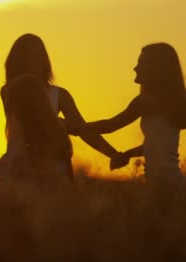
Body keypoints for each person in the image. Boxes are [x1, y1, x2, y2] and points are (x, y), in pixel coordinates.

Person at [0, 34, 119, 181]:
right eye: (29, 55)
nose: (36, 60)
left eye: (40, 55)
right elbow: (26, 124)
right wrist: (63, 125)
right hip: (17, 164)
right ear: (19, 60)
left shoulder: (60, 95)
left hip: (49, 165)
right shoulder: (8, 91)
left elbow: (84, 130)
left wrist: (113, 154)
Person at [73, 43, 186, 187]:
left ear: (156, 69)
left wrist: (74, 128)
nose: (135, 68)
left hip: (163, 185)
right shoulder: (174, 101)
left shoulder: (145, 101)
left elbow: (109, 126)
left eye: (141, 63)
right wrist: (127, 154)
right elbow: (156, 146)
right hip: (172, 181)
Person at [0, 74, 73, 183]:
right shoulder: (60, 146)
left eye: (10, 110)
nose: (10, 118)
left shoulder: (16, 161)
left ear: (21, 113)